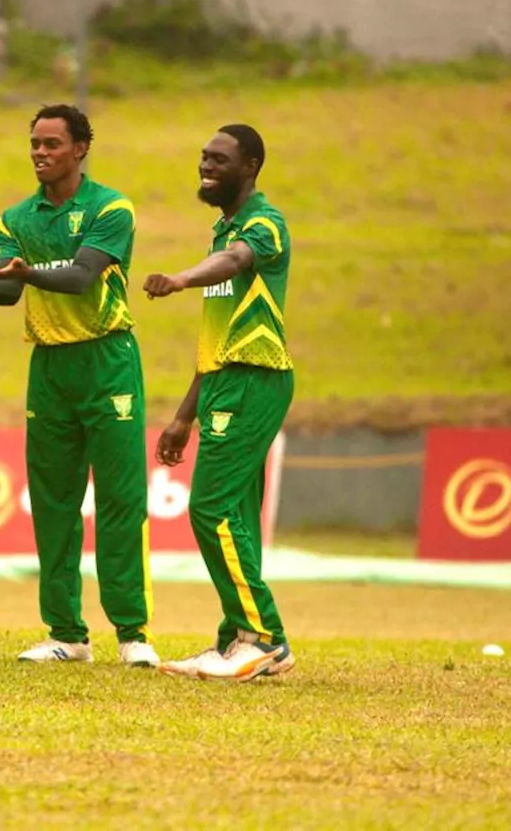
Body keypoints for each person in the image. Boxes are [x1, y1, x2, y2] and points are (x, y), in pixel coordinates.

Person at [0, 104, 158, 668]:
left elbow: (78, 277)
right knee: (52, 503)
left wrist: (23, 273)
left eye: (51, 144)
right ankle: (66, 633)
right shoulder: (16, 217)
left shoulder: (109, 207)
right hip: (48, 366)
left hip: (107, 361)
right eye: (35, 145)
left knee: (121, 499)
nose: (40, 154)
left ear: (80, 149)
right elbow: (7, 292)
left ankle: (132, 632)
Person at [141, 124, 296, 682]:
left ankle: (264, 638)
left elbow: (235, 262)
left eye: (220, 159)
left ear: (251, 165)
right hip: (225, 380)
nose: (206, 166)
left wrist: (181, 278)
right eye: (203, 157)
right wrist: (184, 416)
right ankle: (236, 638)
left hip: (255, 379)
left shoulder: (263, 224)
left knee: (211, 509)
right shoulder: (222, 229)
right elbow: (217, 337)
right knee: (237, 518)